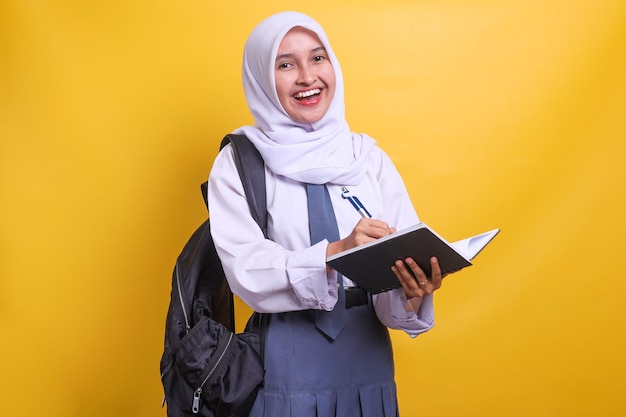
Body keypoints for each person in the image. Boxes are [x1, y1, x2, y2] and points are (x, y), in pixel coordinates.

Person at [207, 11, 445, 417]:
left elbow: (398, 269)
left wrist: (411, 290)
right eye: (285, 64)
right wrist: (334, 252)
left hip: (368, 365)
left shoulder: (368, 159)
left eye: (318, 58)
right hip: (283, 364)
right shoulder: (239, 161)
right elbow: (244, 269)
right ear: (262, 78)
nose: (307, 76)